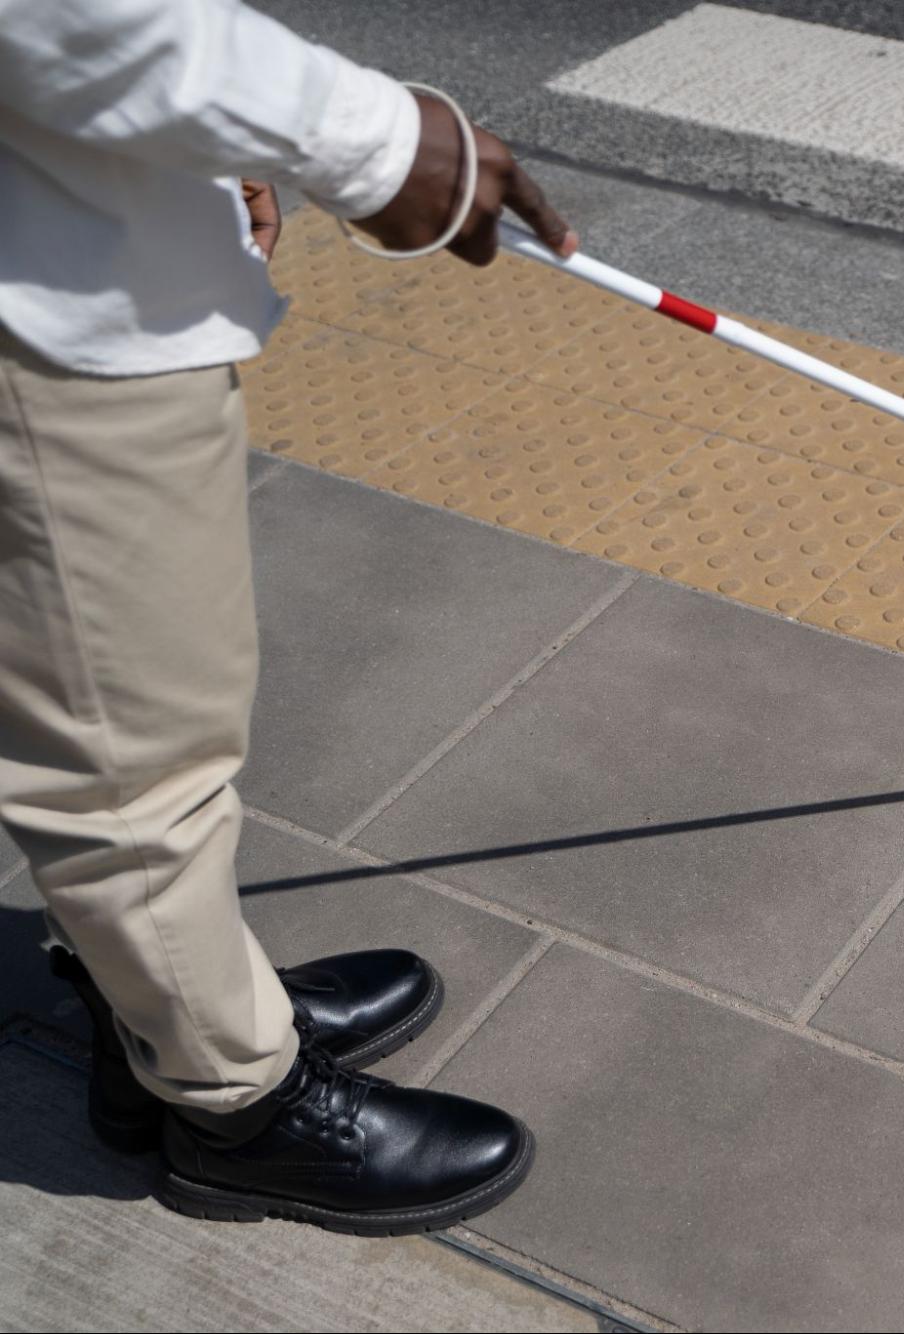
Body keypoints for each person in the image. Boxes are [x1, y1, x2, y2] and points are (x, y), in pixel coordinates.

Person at [0, 0, 578, 1235]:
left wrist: (212, 142)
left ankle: (155, 1012)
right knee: (130, 749)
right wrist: (365, 136)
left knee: (102, 698)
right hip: (40, 288)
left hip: (66, 208)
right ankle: (235, 1108)